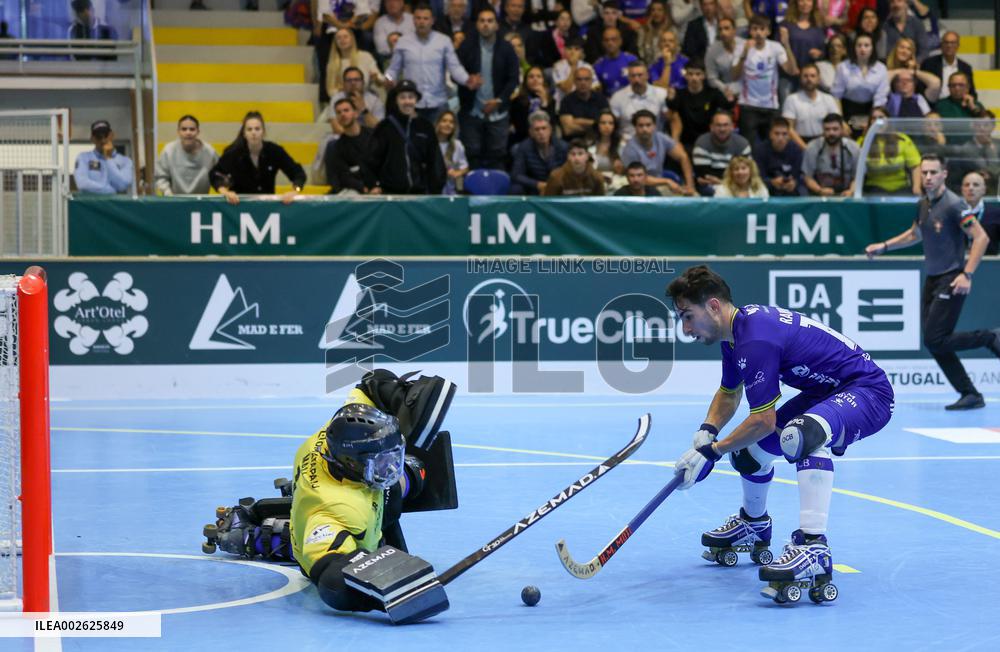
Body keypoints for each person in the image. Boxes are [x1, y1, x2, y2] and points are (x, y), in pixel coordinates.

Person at [668, 264, 893, 603]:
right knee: (747, 455)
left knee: (802, 435)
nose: (686, 329)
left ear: (713, 306)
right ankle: (754, 524)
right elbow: (729, 393)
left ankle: (813, 547)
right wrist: (707, 432)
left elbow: (762, 420)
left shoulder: (755, 337)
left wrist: (712, 452)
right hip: (826, 394)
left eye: (688, 316)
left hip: (867, 392)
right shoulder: (735, 336)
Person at [286, 370, 455, 622]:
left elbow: (369, 385)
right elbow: (331, 578)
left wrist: (395, 393)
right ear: (351, 462)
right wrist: (386, 591)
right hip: (347, 539)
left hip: (363, 492)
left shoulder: (333, 436)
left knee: (415, 470)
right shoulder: (329, 511)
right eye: (382, 462)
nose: (390, 467)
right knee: (411, 475)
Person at [865, 155, 998, 410]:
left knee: (936, 339)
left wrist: (966, 274)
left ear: (944, 174)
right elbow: (915, 233)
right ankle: (970, 393)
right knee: (934, 341)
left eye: (933, 173)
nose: (927, 178)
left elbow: (980, 238)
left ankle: (990, 338)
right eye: (924, 173)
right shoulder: (924, 203)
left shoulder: (955, 205)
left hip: (952, 277)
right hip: (933, 278)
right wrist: (884, 246)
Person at [385, 3, 474, 123]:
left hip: (438, 102)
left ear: (432, 20)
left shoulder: (444, 41)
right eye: (418, 18)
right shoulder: (402, 42)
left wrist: (467, 80)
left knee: (440, 140)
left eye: (425, 18)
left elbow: (455, 67)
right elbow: (393, 69)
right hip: (412, 104)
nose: (422, 22)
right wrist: (389, 78)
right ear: (413, 20)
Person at [456, 7, 520, 170]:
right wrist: (467, 80)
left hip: (498, 111)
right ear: (476, 24)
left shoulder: (507, 48)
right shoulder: (466, 46)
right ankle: (471, 192)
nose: (486, 25)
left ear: (497, 25)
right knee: (471, 152)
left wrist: (499, 100)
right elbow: (454, 74)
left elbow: (513, 79)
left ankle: (496, 193)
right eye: (482, 21)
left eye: (490, 21)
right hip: (471, 110)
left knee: (497, 154)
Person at [367, 81, 447, 194]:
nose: (407, 101)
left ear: (416, 100)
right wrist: (373, 184)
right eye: (402, 97)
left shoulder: (426, 126)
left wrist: (435, 190)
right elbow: (371, 159)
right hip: (390, 193)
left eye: (411, 97)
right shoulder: (385, 126)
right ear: (396, 100)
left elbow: (435, 160)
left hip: (419, 193)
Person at [732, 14, 799, 148]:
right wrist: (744, 53)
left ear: (768, 31)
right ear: (750, 30)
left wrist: (787, 45)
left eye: (762, 29)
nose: (758, 33)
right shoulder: (741, 47)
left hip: (770, 106)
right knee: (747, 148)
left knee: (772, 147)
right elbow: (734, 75)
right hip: (748, 106)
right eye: (755, 29)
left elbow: (792, 71)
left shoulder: (775, 47)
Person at [211, 112, 306, 205]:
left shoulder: (275, 151)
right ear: (244, 133)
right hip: (239, 206)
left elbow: (298, 173)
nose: (253, 132)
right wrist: (225, 192)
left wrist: (295, 191)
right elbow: (215, 174)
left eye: (257, 129)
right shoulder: (233, 153)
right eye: (249, 129)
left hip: (267, 206)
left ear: (263, 132)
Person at [313, 0, 376, 104]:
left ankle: (363, 97)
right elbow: (324, 14)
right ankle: (329, 100)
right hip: (330, 29)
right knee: (327, 63)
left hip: (354, 28)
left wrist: (349, 24)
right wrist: (341, 26)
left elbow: (362, 10)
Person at [620, 109, 695, 195]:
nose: (645, 129)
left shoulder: (661, 138)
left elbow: (683, 157)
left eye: (648, 125)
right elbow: (638, 178)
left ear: (654, 126)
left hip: (660, 184)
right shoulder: (630, 149)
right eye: (641, 125)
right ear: (635, 127)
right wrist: (667, 181)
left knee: (694, 197)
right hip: (639, 188)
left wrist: (690, 185)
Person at [831, 33, 888, 136]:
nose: (862, 49)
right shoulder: (843, 67)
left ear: (872, 48)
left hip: (871, 111)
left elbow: (880, 99)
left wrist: (873, 123)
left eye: (866, 45)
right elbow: (836, 97)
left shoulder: (881, 68)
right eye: (859, 45)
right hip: (847, 111)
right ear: (854, 48)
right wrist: (841, 121)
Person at [668, 59, 730, 153]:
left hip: (709, 140)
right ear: (685, 75)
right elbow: (672, 108)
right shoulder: (679, 94)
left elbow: (727, 105)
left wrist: (730, 98)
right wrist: (670, 98)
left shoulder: (713, 93)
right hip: (686, 141)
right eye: (690, 74)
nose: (694, 78)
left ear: (704, 75)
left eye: (698, 74)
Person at [858, 107, 921, 196]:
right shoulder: (863, 142)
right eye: (873, 118)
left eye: (881, 118)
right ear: (870, 122)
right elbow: (856, 169)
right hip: (874, 189)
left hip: (901, 188)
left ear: (888, 121)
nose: (877, 121)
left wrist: (916, 187)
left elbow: (915, 165)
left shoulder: (902, 140)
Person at [154, 115, 218, 195]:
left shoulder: (210, 152)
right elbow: (161, 177)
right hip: (175, 201)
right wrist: (168, 194)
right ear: (178, 132)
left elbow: (218, 176)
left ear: (198, 131)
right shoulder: (168, 151)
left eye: (192, 129)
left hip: (201, 202)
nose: (188, 132)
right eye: (184, 129)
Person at [324, 98, 378, 194]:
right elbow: (344, 176)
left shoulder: (374, 137)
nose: (343, 114)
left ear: (356, 113)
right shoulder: (337, 147)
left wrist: (378, 187)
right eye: (338, 112)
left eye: (346, 110)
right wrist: (364, 189)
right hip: (356, 191)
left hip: (378, 187)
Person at [781, 63, 840, 149]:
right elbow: (789, 128)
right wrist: (806, 149)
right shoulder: (792, 100)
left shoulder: (828, 99)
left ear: (819, 79)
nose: (809, 79)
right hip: (799, 144)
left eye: (812, 76)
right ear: (800, 78)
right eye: (805, 76)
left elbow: (836, 125)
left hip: (825, 143)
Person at [692, 110, 751, 195]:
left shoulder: (743, 144)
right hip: (710, 186)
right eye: (718, 125)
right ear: (711, 127)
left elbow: (746, 172)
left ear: (732, 126)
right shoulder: (701, 144)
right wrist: (732, 177)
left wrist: (721, 181)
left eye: (725, 125)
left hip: (737, 184)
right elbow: (704, 175)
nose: (722, 129)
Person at [509, 111, 568, 194]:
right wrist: (537, 184)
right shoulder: (524, 147)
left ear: (550, 130)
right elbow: (516, 175)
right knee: (516, 189)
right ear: (531, 132)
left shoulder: (563, 147)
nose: (541, 133)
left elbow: (569, 172)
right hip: (535, 187)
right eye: (537, 129)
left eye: (544, 128)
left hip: (558, 187)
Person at [801, 113, 858, 197]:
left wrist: (851, 191)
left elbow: (857, 177)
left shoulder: (854, 148)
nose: (831, 133)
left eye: (835, 129)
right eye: (827, 129)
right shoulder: (812, 147)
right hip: (819, 195)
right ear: (823, 130)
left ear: (842, 129)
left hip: (847, 195)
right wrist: (819, 190)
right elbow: (807, 177)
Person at [610, 60, 668, 140]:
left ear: (647, 75)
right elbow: (612, 124)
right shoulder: (617, 97)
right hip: (627, 141)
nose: (636, 79)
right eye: (633, 76)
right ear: (628, 77)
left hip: (656, 141)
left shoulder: (661, 94)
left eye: (640, 75)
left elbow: (672, 119)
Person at [73, 120, 133, 195]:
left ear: (112, 135)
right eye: (99, 137)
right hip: (91, 205)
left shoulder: (126, 161)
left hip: (115, 205)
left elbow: (122, 185)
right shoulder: (83, 158)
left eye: (105, 135)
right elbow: (82, 184)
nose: (103, 140)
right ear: (92, 138)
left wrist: (108, 158)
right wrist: (109, 191)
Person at [325, 28, 382, 101]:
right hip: (343, 100)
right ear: (335, 42)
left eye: (345, 37)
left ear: (352, 39)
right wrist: (341, 91)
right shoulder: (332, 63)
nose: (342, 40)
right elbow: (330, 90)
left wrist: (377, 78)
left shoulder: (366, 56)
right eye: (338, 38)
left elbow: (379, 78)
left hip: (365, 97)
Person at [753, 117, 803, 196]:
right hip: (767, 188)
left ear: (789, 136)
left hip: (790, 189)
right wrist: (772, 182)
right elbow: (758, 177)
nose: (780, 138)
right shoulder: (760, 150)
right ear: (770, 134)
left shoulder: (796, 150)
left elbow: (798, 176)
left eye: (784, 134)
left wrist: (794, 183)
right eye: (777, 133)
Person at [921, 31, 976, 102]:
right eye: (946, 42)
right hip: (933, 105)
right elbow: (921, 89)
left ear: (958, 46)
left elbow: (972, 92)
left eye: (952, 43)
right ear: (941, 45)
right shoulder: (928, 64)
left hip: (959, 106)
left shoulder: (966, 68)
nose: (949, 45)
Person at [509, 65, 557, 147]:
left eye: (539, 76)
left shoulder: (551, 100)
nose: (535, 79)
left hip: (546, 140)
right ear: (526, 81)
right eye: (531, 77)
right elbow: (521, 128)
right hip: (524, 139)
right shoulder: (517, 101)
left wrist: (544, 102)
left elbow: (551, 124)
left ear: (543, 80)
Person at [328, 66, 385, 135]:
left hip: (369, 139)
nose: (353, 83)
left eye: (357, 80)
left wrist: (364, 109)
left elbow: (379, 128)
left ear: (363, 82)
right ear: (343, 84)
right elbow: (336, 128)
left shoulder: (375, 101)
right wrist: (356, 138)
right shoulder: (337, 99)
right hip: (345, 138)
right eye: (349, 80)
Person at [559, 65, 610, 140]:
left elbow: (606, 125)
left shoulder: (601, 99)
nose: (583, 83)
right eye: (579, 79)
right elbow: (568, 130)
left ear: (591, 81)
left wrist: (578, 121)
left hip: (597, 140)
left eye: (586, 79)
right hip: (574, 142)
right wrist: (596, 126)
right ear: (574, 82)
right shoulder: (566, 101)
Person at [705, 15, 744, 104]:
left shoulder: (745, 45)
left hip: (747, 88)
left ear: (734, 30)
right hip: (725, 89)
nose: (723, 32)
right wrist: (724, 89)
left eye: (726, 28)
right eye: (720, 29)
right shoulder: (712, 50)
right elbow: (711, 78)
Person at [961, 171, 1000, 256]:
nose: (971, 188)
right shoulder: (953, 212)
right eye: (967, 185)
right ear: (962, 189)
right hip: (958, 264)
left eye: (976, 185)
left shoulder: (996, 214)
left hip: (988, 265)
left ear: (984, 190)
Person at [552, 36, 598, 107]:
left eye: (576, 49)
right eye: (569, 49)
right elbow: (567, 89)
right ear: (564, 50)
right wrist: (574, 66)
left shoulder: (587, 67)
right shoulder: (558, 66)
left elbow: (595, 88)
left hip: (585, 104)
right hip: (564, 105)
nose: (572, 52)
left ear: (581, 52)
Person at [593, 27, 638, 97]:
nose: (610, 43)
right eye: (606, 40)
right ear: (603, 43)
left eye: (614, 39)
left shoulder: (632, 60)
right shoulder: (598, 66)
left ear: (620, 41)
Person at [436, 110, 469, 195]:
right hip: (432, 189)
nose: (448, 124)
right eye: (444, 121)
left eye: (451, 122)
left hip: (450, 190)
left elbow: (465, 167)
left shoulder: (457, 145)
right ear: (438, 124)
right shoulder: (429, 143)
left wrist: (457, 173)